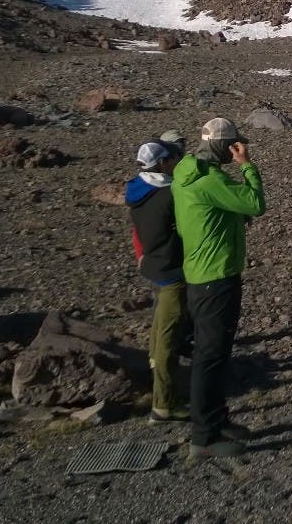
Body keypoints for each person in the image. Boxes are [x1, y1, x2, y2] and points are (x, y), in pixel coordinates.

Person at [172, 117, 266, 459]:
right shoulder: (212, 181)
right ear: (226, 146)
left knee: (212, 353)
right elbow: (256, 203)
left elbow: (207, 213)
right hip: (217, 275)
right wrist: (248, 167)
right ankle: (204, 437)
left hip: (198, 271)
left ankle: (216, 418)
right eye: (234, 145)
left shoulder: (186, 171)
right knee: (211, 357)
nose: (237, 150)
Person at [126, 139, 187, 423]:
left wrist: (141, 255)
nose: (177, 161)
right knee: (167, 337)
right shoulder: (168, 195)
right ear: (162, 163)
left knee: (160, 326)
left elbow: (138, 230)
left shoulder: (137, 190)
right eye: (173, 157)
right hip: (171, 270)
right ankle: (164, 403)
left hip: (151, 264)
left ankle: (158, 373)